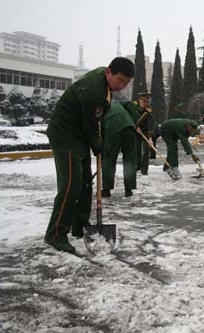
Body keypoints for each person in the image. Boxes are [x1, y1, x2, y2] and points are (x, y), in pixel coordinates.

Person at [44, 57, 134, 254]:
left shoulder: (103, 79)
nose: (122, 86)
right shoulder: (95, 92)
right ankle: (55, 234)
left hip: (78, 135)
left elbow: (93, 124)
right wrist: (98, 145)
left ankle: (80, 225)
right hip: (65, 134)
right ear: (109, 72)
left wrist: (95, 141)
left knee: (85, 183)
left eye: (126, 83)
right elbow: (90, 126)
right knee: (71, 185)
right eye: (119, 80)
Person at [101, 100, 138, 198]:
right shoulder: (116, 102)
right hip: (129, 126)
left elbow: (100, 133)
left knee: (109, 159)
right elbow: (131, 104)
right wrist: (136, 121)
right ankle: (129, 190)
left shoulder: (96, 108)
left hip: (113, 128)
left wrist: (102, 154)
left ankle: (106, 189)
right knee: (129, 158)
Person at [130, 92, 155, 175]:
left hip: (145, 131)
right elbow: (129, 117)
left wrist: (150, 138)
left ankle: (144, 170)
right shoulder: (133, 106)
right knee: (136, 149)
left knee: (146, 150)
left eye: (147, 102)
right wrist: (135, 126)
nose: (145, 104)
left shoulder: (149, 110)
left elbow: (151, 124)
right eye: (144, 102)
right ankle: (138, 166)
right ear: (139, 100)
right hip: (135, 130)